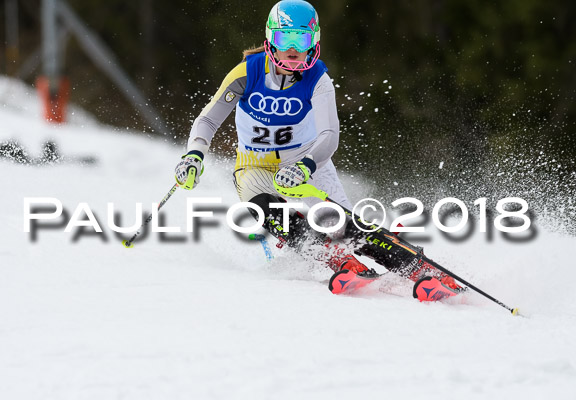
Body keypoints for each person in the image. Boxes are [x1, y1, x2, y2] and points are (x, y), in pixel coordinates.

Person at [174, 0, 459, 291]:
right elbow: (207, 121)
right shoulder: (246, 73)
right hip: (254, 165)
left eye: (303, 39)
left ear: (315, 42)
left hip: (306, 160)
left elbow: (329, 136)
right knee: (263, 209)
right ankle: (341, 262)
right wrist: (194, 155)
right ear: (271, 38)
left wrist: (305, 166)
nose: (294, 49)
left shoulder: (318, 80)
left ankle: (421, 270)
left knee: (344, 227)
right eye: (286, 39)